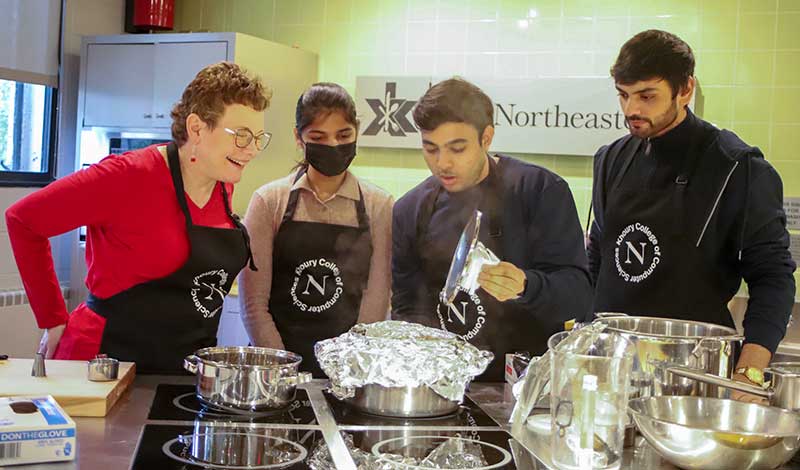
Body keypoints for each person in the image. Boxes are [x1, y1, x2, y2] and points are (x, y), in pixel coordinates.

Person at [6, 62, 272, 373]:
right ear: (197, 128)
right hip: (104, 365)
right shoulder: (127, 175)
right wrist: (51, 318)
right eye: (241, 135)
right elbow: (23, 220)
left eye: (257, 137)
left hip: (180, 368)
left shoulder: (222, 183)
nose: (252, 149)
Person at [587, 30, 796, 398]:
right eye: (623, 95)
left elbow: (773, 278)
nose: (631, 110)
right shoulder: (611, 160)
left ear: (685, 89)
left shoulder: (737, 167)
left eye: (647, 96)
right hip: (609, 374)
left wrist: (749, 373)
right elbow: (596, 259)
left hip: (693, 380)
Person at [391, 78, 593, 381]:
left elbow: (578, 294)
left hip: (522, 385)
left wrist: (527, 285)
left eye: (457, 149)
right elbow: (407, 304)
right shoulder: (411, 209)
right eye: (430, 148)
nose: (442, 163)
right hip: (443, 383)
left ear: (487, 138)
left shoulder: (540, 191)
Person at [239, 82, 393, 377]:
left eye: (344, 135)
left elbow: (377, 298)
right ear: (299, 138)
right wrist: (283, 369)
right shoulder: (269, 201)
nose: (333, 145)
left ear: (357, 131)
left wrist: (347, 369)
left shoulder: (379, 205)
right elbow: (253, 305)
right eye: (318, 137)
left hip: (348, 370)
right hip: (274, 367)